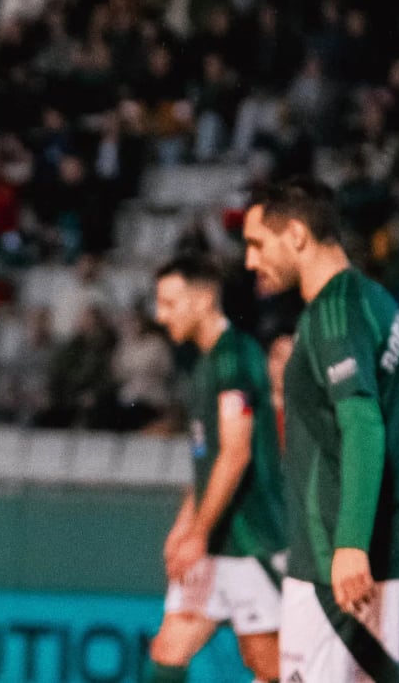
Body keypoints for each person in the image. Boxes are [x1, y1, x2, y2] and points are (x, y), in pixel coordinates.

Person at [243, 178, 399, 683]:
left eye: (257, 244)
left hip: (345, 562)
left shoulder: (334, 310)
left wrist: (350, 542)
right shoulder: (375, 301)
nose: (249, 261)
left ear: (298, 235)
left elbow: (363, 423)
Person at [146, 255, 285, 683]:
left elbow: (236, 453)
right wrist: (186, 525)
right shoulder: (204, 362)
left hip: (251, 541)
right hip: (215, 542)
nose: (160, 314)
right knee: (167, 654)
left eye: (170, 303)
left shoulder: (235, 356)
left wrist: (199, 532)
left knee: (271, 667)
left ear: (205, 299)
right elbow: (210, 460)